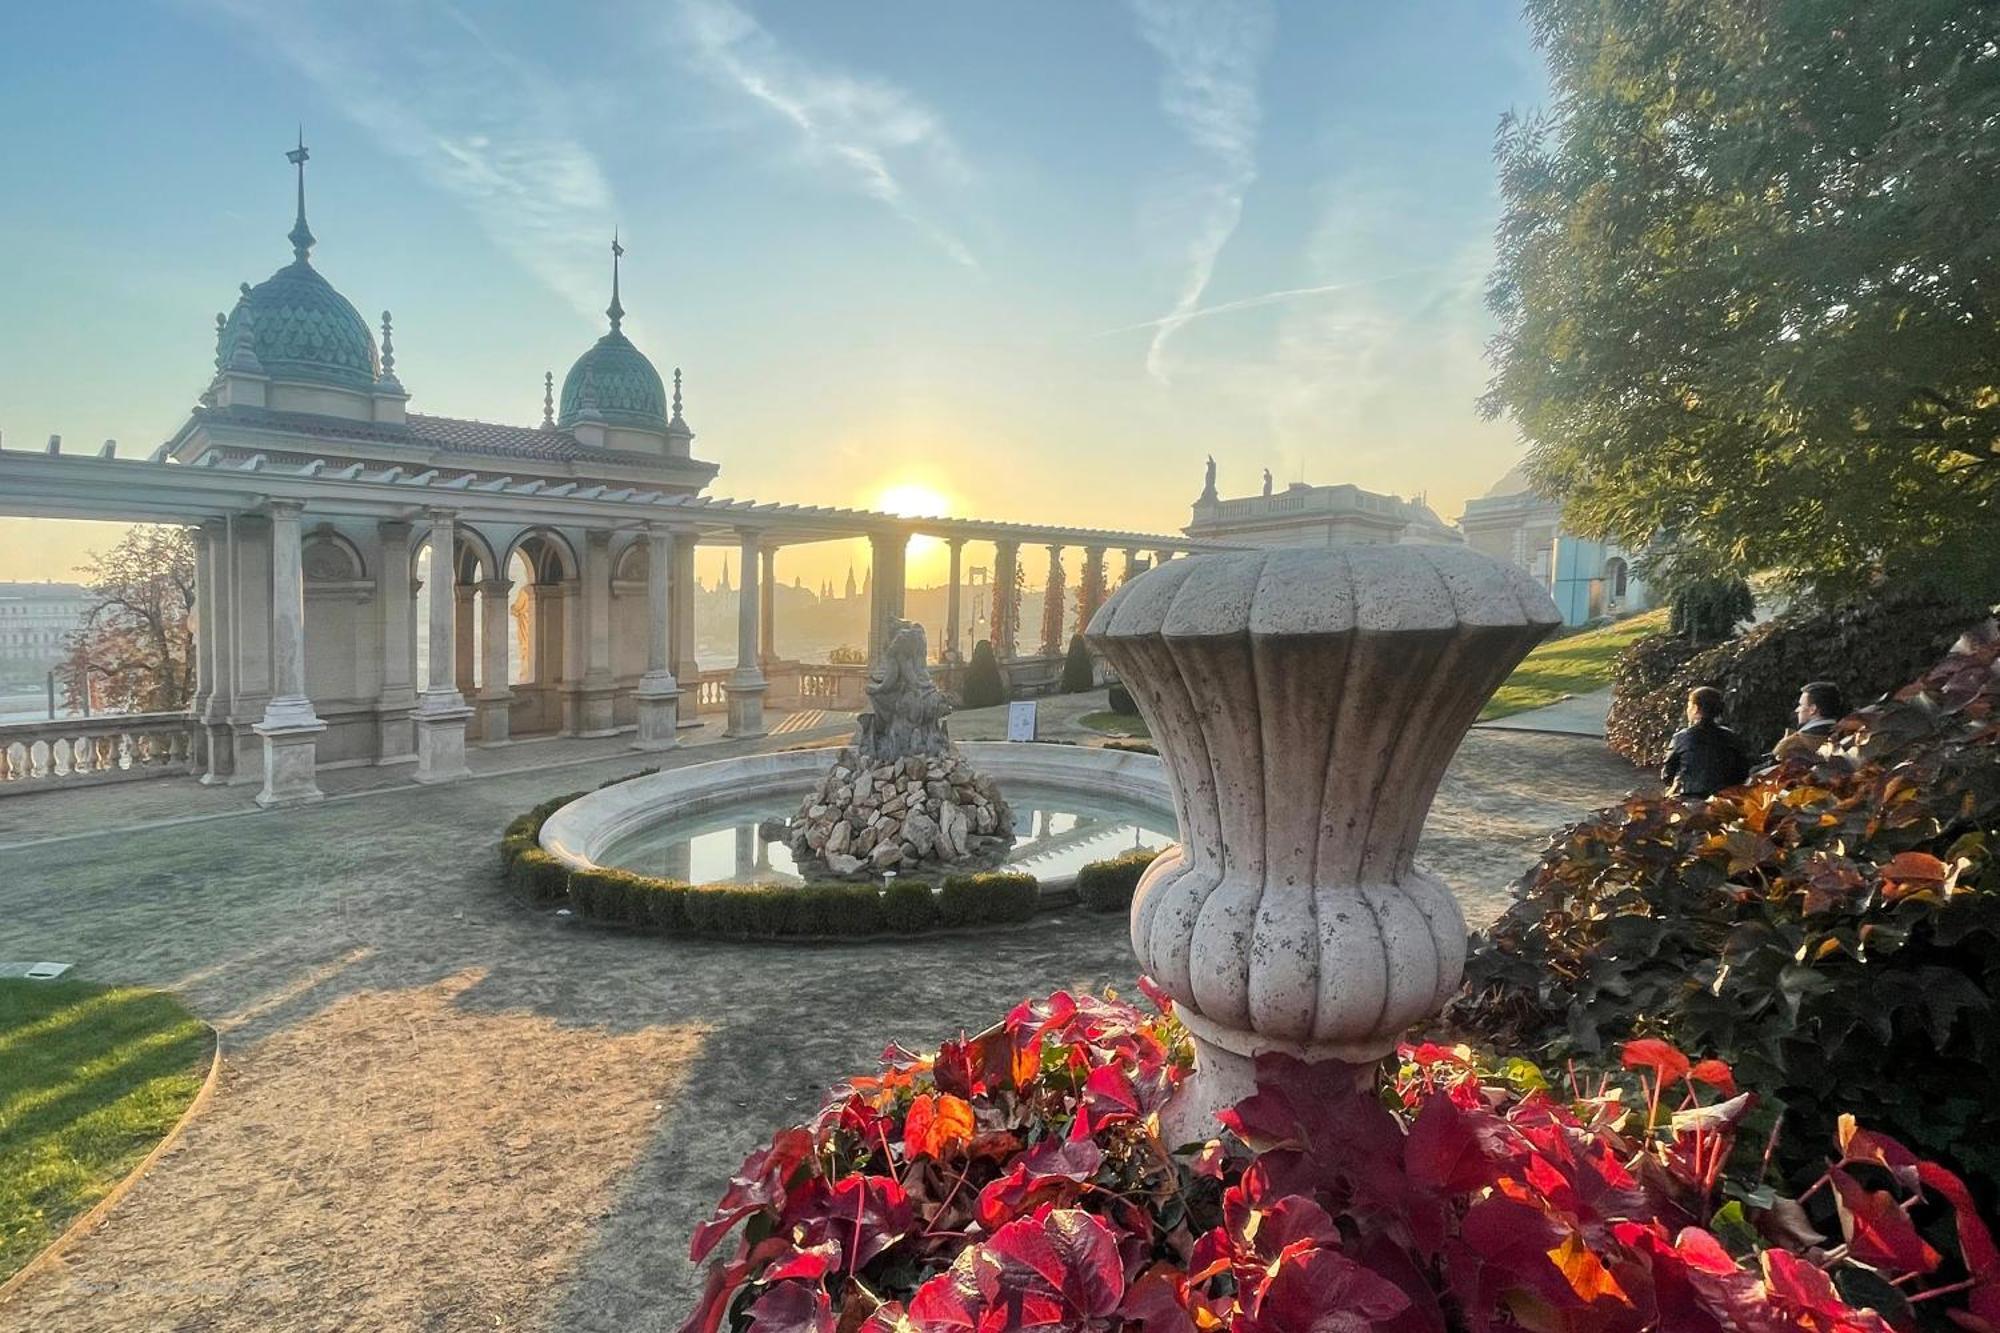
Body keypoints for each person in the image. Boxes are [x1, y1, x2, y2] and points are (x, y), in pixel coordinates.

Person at [1661, 686, 1751, 799]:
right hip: (1724, 800)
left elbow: (1667, 775)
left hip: (1687, 798)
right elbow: (1743, 772)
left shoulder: (1681, 737)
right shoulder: (1731, 737)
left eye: (1689, 706)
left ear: (1695, 708)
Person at [1771, 679, 1846, 762]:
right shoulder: (1848, 735)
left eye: (1801, 705)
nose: (1797, 710)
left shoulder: (1794, 744)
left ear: (1812, 709)